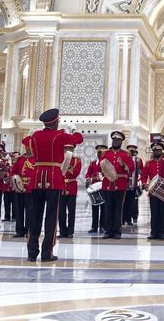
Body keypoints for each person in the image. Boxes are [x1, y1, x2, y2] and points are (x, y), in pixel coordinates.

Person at [22, 109, 83, 260]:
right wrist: (74, 129)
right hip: (53, 178)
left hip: (37, 177)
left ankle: (31, 252)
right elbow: (78, 139)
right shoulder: (59, 135)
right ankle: (46, 253)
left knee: (34, 216)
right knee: (51, 217)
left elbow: (25, 141)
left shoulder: (35, 135)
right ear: (56, 122)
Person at [100, 131, 134, 239]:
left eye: (118, 140)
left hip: (120, 184)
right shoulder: (105, 153)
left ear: (121, 142)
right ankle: (108, 231)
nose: (116, 142)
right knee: (107, 208)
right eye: (114, 140)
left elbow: (131, 168)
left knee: (118, 209)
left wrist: (123, 165)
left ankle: (117, 231)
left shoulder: (126, 154)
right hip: (108, 184)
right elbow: (99, 167)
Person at [143, 141, 164, 240]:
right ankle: (154, 232)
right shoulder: (148, 163)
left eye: (159, 150)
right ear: (153, 151)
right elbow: (144, 176)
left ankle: (162, 232)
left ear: (161, 151)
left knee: (163, 213)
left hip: (163, 191)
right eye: (155, 150)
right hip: (153, 191)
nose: (157, 152)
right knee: (154, 212)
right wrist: (144, 184)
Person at [59, 144, 82, 238]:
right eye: (66, 148)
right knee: (61, 212)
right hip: (60, 187)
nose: (68, 150)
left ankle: (70, 232)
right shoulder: (59, 159)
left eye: (70, 148)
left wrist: (67, 165)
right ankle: (62, 231)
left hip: (71, 187)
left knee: (71, 211)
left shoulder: (76, 160)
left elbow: (76, 173)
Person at [85, 145, 106, 233]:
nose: (99, 154)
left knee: (103, 208)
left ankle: (102, 226)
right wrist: (88, 179)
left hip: (103, 186)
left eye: (101, 152)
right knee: (94, 207)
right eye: (98, 152)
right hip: (94, 187)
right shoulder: (93, 163)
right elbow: (88, 173)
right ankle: (94, 227)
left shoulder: (106, 162)